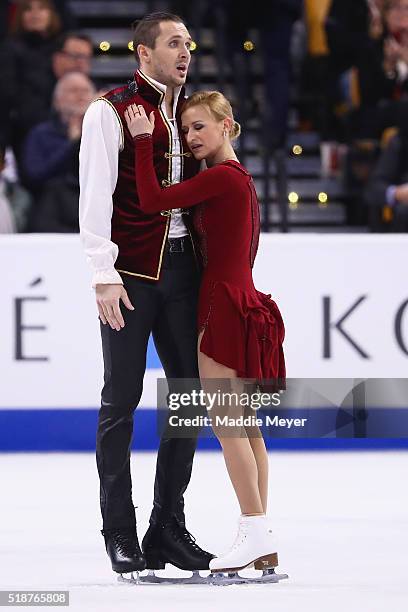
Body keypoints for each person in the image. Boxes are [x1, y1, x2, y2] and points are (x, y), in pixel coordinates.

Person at [124, 91, 285, 573]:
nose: (192, 137)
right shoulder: (235, 179)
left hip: (223, 308)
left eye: (200, 127)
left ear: (227, 125)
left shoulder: (220, 179)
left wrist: (142, 142)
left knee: (228, 423)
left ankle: (254, 527)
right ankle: (260, 536)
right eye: (186, 129)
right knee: (246, 425)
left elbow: (152, 200)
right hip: (241, 300)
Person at [79, 12, 213, 575]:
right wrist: (101, 272)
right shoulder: (108, 110)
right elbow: (95, 193)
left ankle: (167, 526)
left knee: (187, 399)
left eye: (189, 43)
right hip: (130, 274)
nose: (186, 52)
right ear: (143, 53)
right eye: (174, 43)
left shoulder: (194, 111)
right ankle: (118, 529)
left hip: (186, 273)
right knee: (122, 399)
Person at [22, 72, 95, 231]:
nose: (81, 96)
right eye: (73, 91)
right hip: (53, 208)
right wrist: (70, 144)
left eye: (85, 91)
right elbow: (34, 176)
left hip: (96, 204)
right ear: (57, 101)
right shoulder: (41, 134)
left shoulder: (104, 134)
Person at [0, 0, 62, 168]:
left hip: (59, 126)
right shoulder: (9, 49)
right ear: (21, 16)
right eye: (28, 9)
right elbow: (7, 95)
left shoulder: (61, 48)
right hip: (22, 128)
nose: (35, 14)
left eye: (41, 9)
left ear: (51, 15)